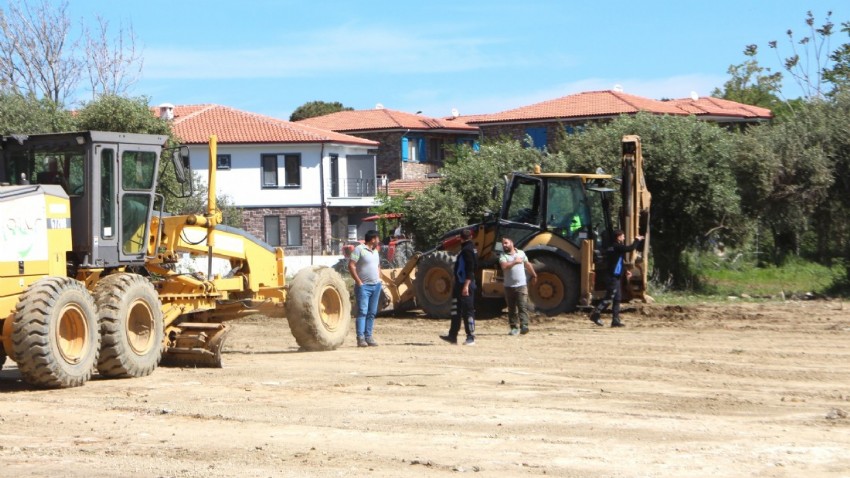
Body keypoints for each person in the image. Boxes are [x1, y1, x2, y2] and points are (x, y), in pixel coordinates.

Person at [590, 230, 644, 327]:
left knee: (617, 298)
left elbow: (617, 262)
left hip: (616, 276)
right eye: (623, 236)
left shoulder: (613, 247)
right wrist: (637, 240)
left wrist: (625, 271)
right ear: (618, 237)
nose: (624, 238)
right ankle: (595, 314)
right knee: (609, 297)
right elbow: (630, 248)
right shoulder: (616, 246)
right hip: (612, 277)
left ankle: (615, 320)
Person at [440, 228, 477, 345]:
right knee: (456, 310)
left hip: (466, 284)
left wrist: (466, 286)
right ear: (470, 237)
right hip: (460, 284)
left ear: (460, 238)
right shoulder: (467, 249)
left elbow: (470, 270)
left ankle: (470, 337)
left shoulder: (468, 250)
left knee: (468, 311)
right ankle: (452, 336)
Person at [348, 229, 382, 347]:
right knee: (362, 311)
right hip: (364, 287)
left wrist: (380, 279)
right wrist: (359, 282)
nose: (379, 240)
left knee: (372, 312)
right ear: (373, 239)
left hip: (376, 285)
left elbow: (378, 266)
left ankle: (369, 336)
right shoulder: (359, 249)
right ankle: (360, 338)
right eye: (377, 238)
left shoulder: (376, 251)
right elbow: (351, 265)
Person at [499, 237, 537, 335]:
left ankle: (524, 326)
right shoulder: (503, 256)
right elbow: (504, 266)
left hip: (521, 285)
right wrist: (515, 262)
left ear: (512, 243)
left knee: (522, 306)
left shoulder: (521, 253)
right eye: (503, 244)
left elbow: (527, 264)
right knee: (511, 308)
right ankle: (514, 327)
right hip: (509, 286)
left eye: (506, 243)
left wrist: (534, 275)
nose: (504, 245)